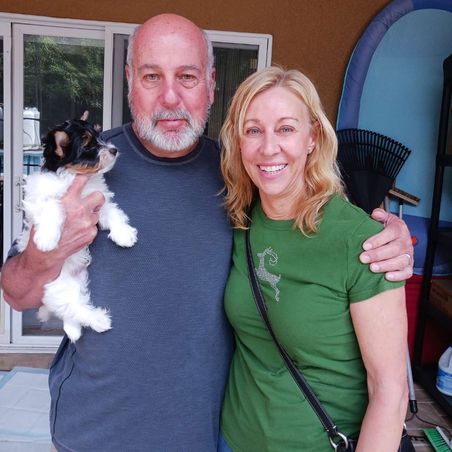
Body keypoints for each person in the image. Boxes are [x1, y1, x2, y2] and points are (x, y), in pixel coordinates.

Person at [0, 14, 412, 452]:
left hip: (202, 436)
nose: (170, 97)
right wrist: (47, 253)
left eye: (188, 77)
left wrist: (387, 235)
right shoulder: (82, 172)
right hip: (94, 433)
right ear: (130, 81)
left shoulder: (241, 178)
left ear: (211, 85)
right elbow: (17, 294)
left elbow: (309, 211)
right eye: (152, 76)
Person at [218, 66, 411, 452]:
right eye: (253, 130)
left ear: (313, 138)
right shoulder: (237, 220)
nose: (268, 147)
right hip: (233, 440)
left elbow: (390, 391)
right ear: (238, 142)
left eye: (286, 129)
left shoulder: (362, 241)